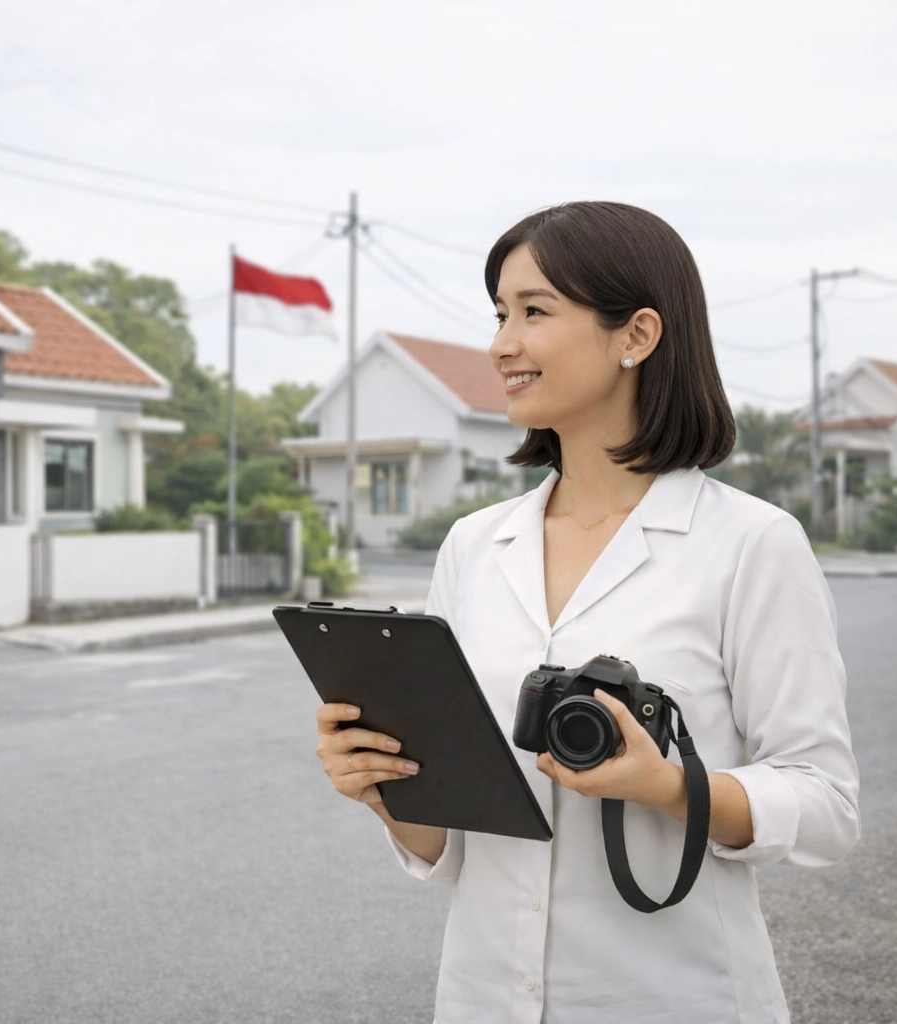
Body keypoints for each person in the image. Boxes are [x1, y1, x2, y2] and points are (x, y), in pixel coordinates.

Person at [314, 201, 860, 1024]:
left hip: (678, 996)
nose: (502, 343)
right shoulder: (473, 545)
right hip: (486, 996)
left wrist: (670, 786)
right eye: (500, 314)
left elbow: (827, 807)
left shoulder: (750, 543)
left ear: (636, 335)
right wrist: (382, 789)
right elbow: (450, 847)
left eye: (535, 311)